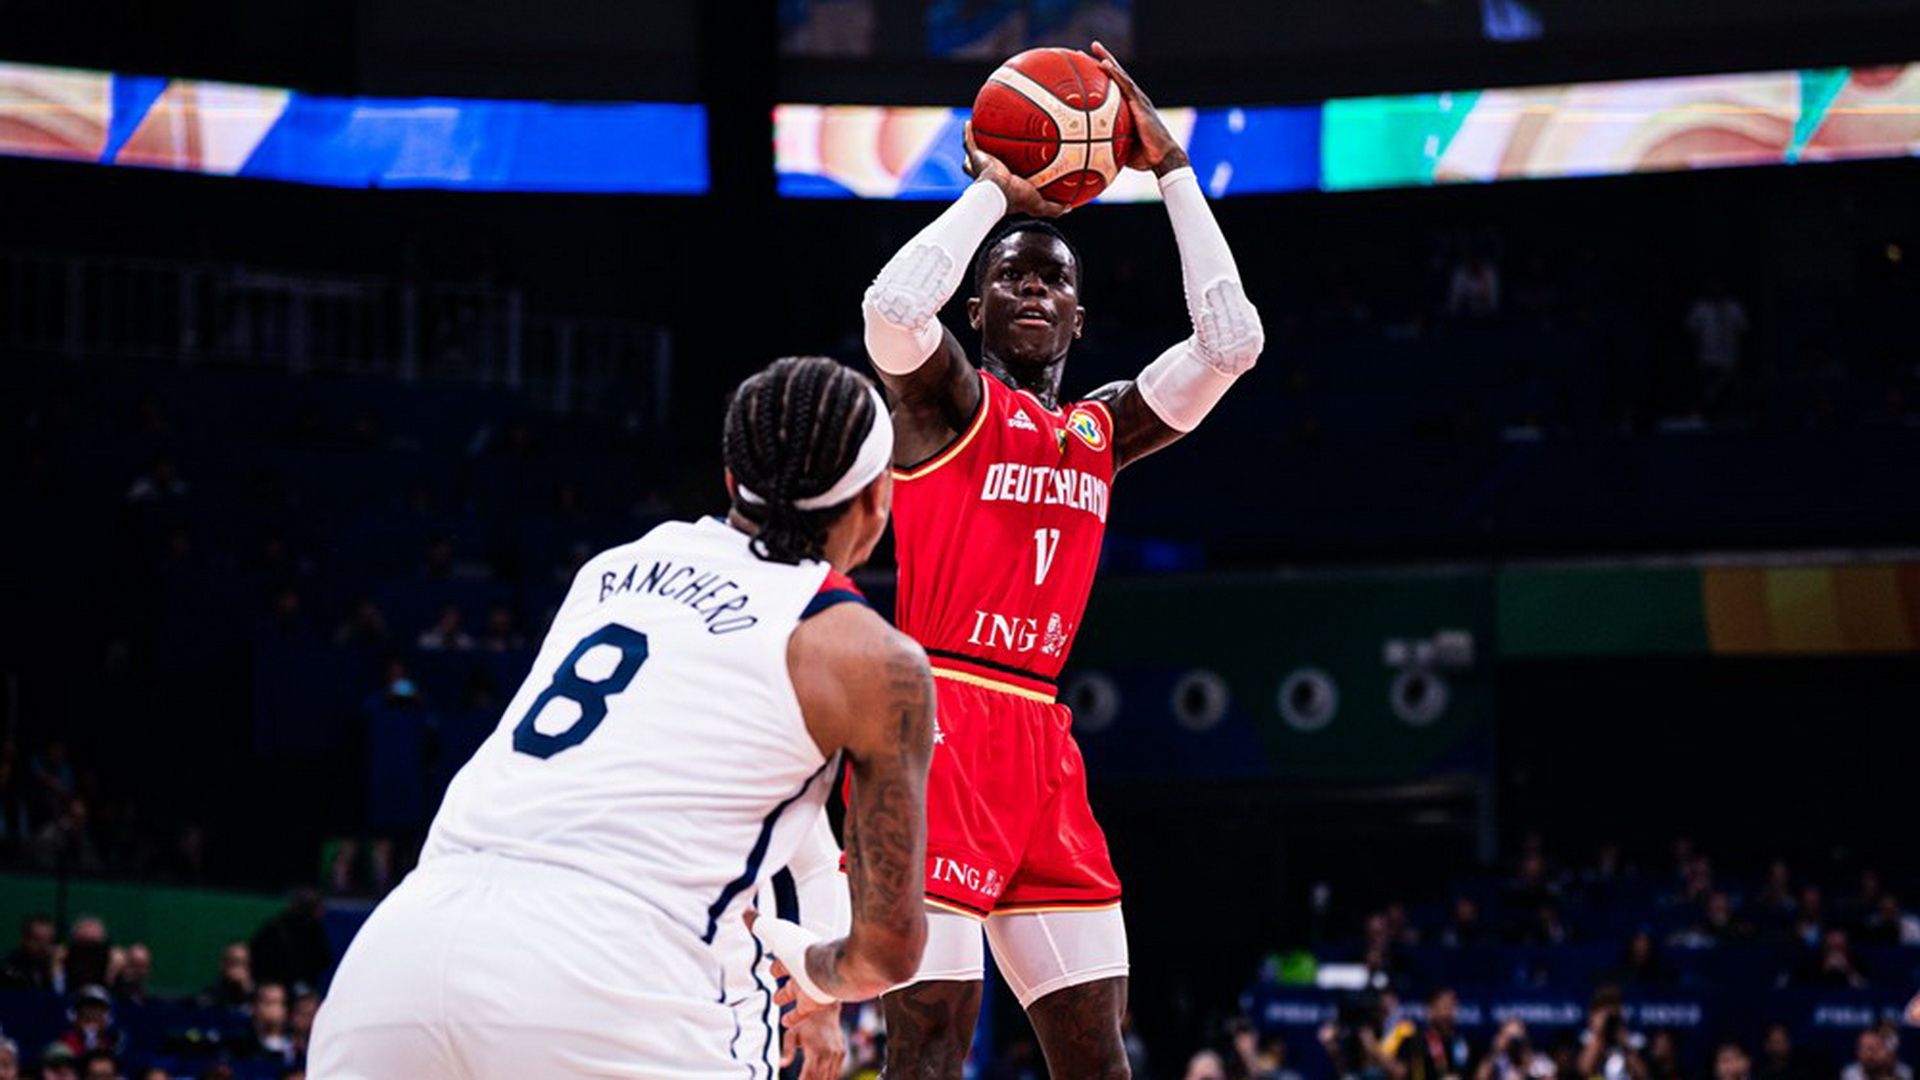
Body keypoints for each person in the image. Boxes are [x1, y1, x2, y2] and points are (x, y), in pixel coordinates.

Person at [311, 356, 935, 1079]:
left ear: (731, 479)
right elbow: (888, 952)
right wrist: (814, 966)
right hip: (613, 978)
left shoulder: (613, 570)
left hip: (401, 954)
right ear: (878, 498)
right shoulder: (870, 657)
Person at [860, 41, 1261, 1079]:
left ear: (1079, 317)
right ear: (978, 308)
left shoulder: (1101, 430)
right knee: (930, 1047)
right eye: (1012, 278)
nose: (1034, 290)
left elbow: (1231, 344)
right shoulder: (948, 407)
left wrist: (1173, 170)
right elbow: (891, 313)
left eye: (1055, 280)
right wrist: (993, 196)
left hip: (1041, 740)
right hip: (938, 727)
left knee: (1095, 1057)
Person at [1, 915, 57, 991]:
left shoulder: (56, 963)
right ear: (26, 940)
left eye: (49, 941)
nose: (44, 947)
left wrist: (57, 968)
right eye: (39, 941)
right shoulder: (8, 966)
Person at [1840, 1028, 1913, 1080]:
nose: (1869, 1054)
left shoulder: (1903, 1072)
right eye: (1863, 1049)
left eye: (1873, 1049)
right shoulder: (1850, 1073)